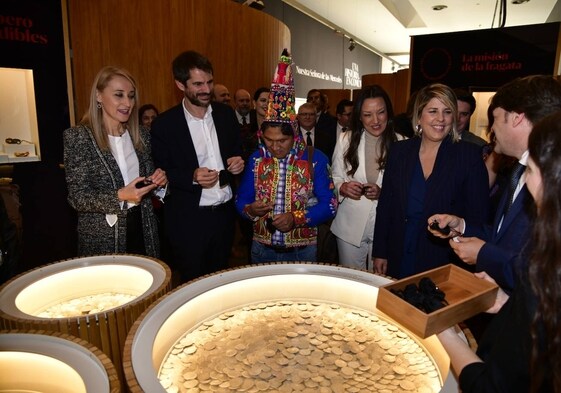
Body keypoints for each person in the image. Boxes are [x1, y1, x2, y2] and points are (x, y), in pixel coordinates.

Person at [435, 110, 561, 393]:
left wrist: (440, 328)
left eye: (531, 169)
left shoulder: (544, 271)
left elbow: (490, 385)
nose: (526, 179)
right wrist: (508, 306)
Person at [429, 75, 561, 294]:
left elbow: (545, 270)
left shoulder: (549, 178)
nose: (491, 129)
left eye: (496, 118)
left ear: (516, 119)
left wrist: (484, 254)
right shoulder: (519, 170)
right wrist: (461, 226)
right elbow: (504, 234)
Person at [372, 83, 489, 279]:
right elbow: (386, 207)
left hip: (443, 259)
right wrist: (380, 251)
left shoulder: (469, 156)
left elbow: (478, 216)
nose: (441, 119)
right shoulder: (399, 151)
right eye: (433, 111)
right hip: (399, 251)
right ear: (419, 116)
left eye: (447, 112)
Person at [151, 51, 244, 283]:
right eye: (198, 84)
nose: (206, 89)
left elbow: (238, 150)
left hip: (224, 216)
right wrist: (192, 176)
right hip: (188, 221)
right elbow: (160, 170)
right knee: (192, 286)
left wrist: (238, 161)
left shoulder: (225, 115)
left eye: (209, 82)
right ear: (180, 84)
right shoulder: (165, 124)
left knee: (221, 282)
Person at [236, 50, 337, 263]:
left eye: (281, 141)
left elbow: (330, 204)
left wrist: (296, 218)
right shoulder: (256, 159)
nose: (275, 147)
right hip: (261, 248)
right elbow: (241, 199)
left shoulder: (315, 159)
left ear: (295, 136)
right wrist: (250, 210)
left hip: (303, 250)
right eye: (268, 140)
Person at [63, 66, 167, 258]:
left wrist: (158, 181)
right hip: (103, 239)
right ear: (98, 96)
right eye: (119, 95)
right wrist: (120, 196)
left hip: (144, 230)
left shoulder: (141, 135)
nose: (127, 103)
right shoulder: (78, 137)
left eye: (131, 96)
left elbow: (145, 185)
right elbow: (77, 197)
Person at [331, 86, 402, 271]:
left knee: (380, 283)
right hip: (350, 225)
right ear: (360, 117)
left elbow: (406, 190)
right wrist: (343, 187)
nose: (376, 120)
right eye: (368, 115)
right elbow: (335, 176)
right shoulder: (345, 139)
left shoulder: (402, 143)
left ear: (389, 112)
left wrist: (383, 193)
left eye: (381, 112)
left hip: (385, 226)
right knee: (350, 281)